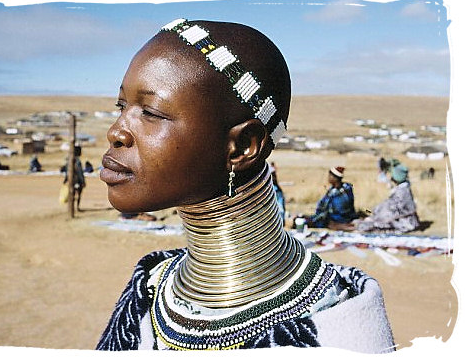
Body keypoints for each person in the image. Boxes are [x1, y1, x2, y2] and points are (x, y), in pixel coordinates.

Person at [96, 19, 394, 353]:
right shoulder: (149, 285)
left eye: (150, 112)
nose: (116, 131)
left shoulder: (341, 329)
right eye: (122, 106)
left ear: (243, 146)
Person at [355, 161, 420, 233]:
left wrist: (377, 216)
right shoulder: (403, 189)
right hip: (404, 220)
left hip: (404, 222)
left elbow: (396, 211)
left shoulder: (402, 191)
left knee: (364, 225)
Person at [62, 146, 86, 211]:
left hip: (71, 180)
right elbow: (80, 172)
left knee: (71, 193)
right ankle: (77, 207)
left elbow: (67, 171)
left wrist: (66, 179)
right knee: (78, 194)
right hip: (77, 180)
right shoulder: (78, 161)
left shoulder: (68, 160)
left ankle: (71, 207)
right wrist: (83, 181)